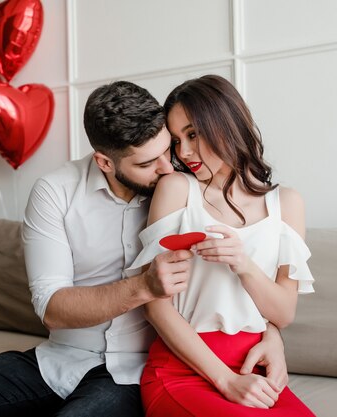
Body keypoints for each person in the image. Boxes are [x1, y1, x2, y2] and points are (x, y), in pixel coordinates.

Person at [0, 81, 289, 417]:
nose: (168, 168)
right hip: (62, 357)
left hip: (135, 370)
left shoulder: (185, 183)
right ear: (104, 160)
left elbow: (249, 263)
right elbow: (52, 308)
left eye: (166, 150)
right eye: (148, 163)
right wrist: (143, 287)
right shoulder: (55, 192)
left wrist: (272, 333)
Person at [129, 75, 316, 416]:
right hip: (184, 369)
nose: (183, 152)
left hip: (253, 367)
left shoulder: (286, 203)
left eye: (193, 134)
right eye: (176, 140)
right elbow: (155, 305)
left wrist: (243, 265)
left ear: (225, 124)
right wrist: (225, 381)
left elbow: (283, 313)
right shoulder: (176, 189)